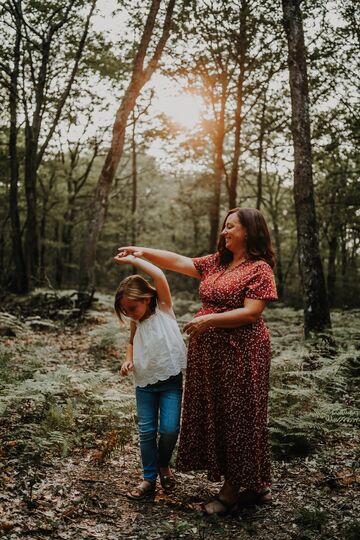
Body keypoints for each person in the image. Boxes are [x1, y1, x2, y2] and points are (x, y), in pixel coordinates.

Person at [117, 207, 278, 515]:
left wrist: (210, 321)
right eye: (224, 226)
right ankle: (256, 486)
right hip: (211, 357)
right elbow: (179, 262)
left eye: (231, 227)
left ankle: (231, 492)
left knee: (240, 417)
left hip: (242, 352)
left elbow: (253, 312)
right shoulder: (218, 262)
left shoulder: (260, 269)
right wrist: (142, 251)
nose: (225, 232)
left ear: (248, 232)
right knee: (220, 415)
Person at [114, 255, 187, 500]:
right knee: (146, 432)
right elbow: (132, 343)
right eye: (125, 311)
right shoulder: (136, 321)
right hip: (144, 382)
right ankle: (148, 479)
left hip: (170, 380)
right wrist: (128, 359)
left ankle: (163, 464)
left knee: (169, 429)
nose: (130, 314)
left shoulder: (165, 308)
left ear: (146, 299)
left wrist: (135, 258)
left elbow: (160, 275)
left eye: (132, 308)